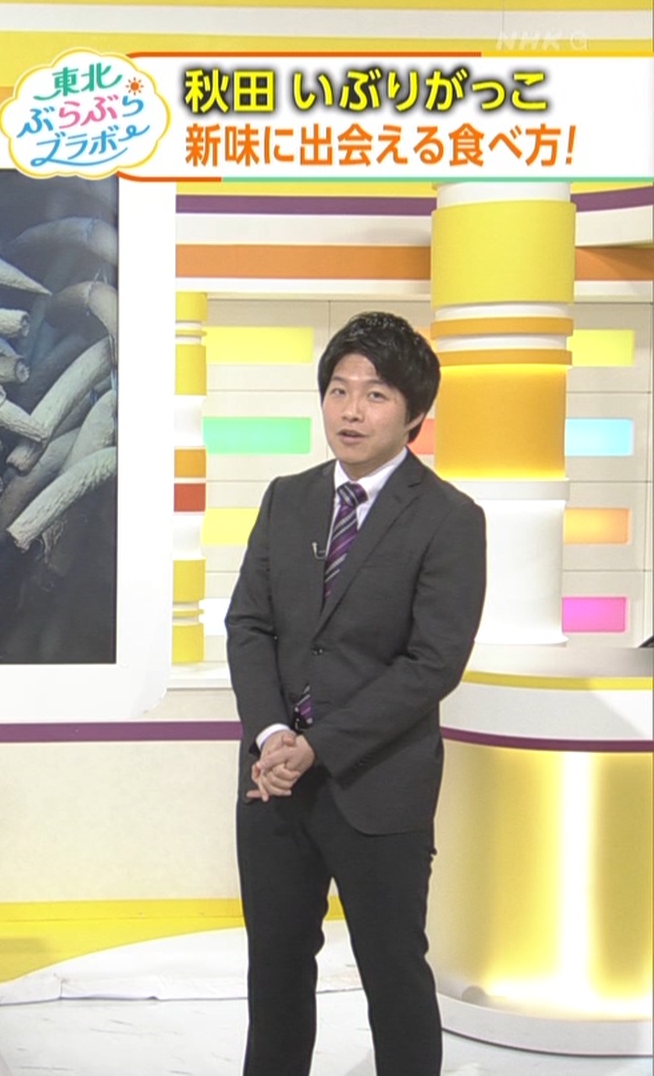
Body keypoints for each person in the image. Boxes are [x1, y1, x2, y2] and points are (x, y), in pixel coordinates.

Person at [226, 312, 487, 1076]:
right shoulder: (287, 499)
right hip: (273, 783)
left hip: (378, 787)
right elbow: (248, 624)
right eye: (338, 390)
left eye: (375, 394)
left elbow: (432, 664)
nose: (350, 410)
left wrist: (318, 746)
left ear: (414, 411)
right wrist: (272, 735)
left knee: (394, 979)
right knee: (274, 974)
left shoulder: (450, 519)